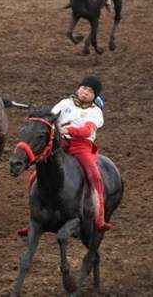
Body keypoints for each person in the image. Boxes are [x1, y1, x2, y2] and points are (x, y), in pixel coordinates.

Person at [18, 76, 113, 235]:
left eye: (90, 91)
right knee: (34, 177)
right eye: (83, 88)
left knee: (95, 175)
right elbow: (50, 118)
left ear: (94, 96)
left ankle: (100, 218)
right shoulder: (65, 103)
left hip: (82, 146)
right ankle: (33, 220)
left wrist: (69, 130)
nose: (85, 92)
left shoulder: (95, 112)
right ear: (78, 88)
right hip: (60, 145)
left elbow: (88, 131)